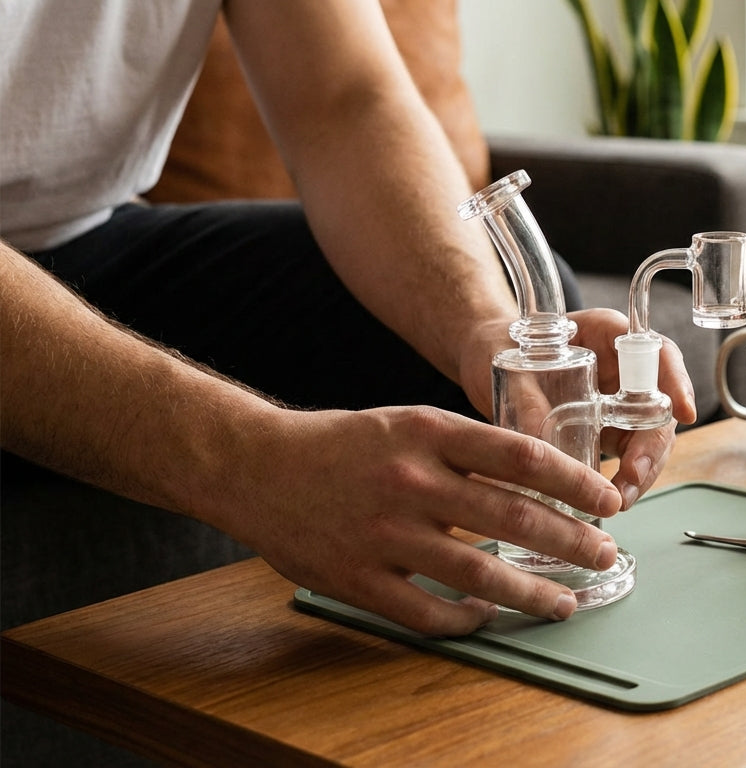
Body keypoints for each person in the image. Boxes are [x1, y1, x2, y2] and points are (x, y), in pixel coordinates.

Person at [0, 0, 695, 638]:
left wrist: (479, 324)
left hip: (86, 229)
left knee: (512, 353)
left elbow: (346, 99)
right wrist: (253, 462)